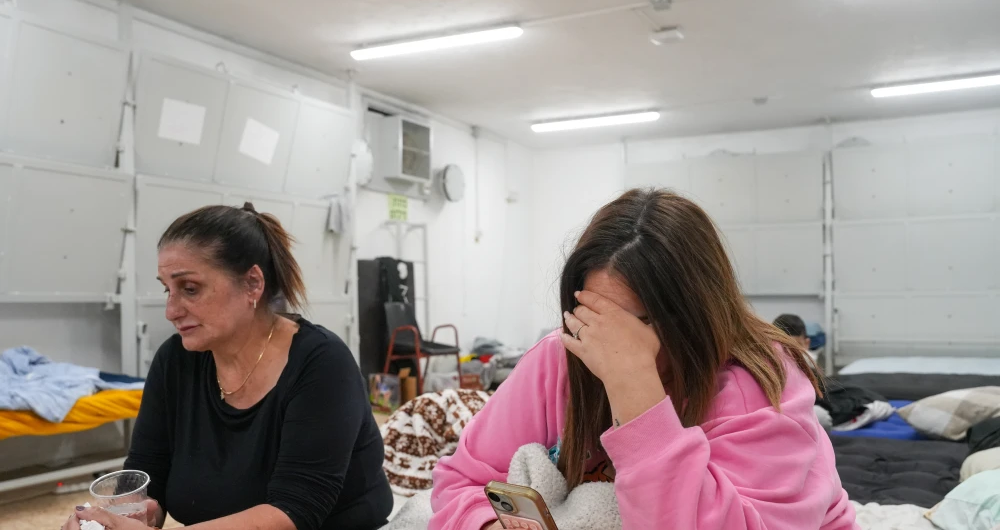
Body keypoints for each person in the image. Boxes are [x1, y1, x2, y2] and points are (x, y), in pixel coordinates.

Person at [430, 189, 857, 530]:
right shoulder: (561, 357)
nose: (612, 343)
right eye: (595, 318)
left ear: (698, 312)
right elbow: (462, 482)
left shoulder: (761, 379)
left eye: (641, 324)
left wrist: (636, 390)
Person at [63, 203, 392, 530]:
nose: (171, 310)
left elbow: (294, 512)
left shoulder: (322, 365)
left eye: (190, 289)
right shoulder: (175, 361)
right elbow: (148, 473)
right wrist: (122, 517)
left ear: (252, 284)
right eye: (168, 289)